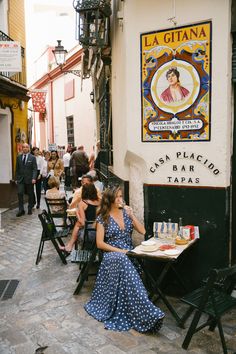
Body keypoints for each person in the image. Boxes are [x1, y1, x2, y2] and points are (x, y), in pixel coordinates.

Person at [85, 185, 165, 333]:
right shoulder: (103, 217)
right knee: (122, 259)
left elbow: (143, 231)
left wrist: (132, 215)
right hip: (112, 255)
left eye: (121, 196)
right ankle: (148, 312)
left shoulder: (126, 214)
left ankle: (142, 311)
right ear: (110, 200)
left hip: (130, 254)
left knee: (126, 260)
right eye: (117, 197)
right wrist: (121, 251)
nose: (120, 199)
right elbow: (100, 244)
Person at [60, 183, 100, 252]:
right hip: (101, 232)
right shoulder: (100, 201)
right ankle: (70, 246)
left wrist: (77, 213)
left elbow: (82, 222)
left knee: (78, 224)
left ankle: (70, 246)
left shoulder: (83, 203)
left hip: (89, 234)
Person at [15, 143, 37, 216]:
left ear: (28, 148)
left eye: (26, 147)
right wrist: (16, 178)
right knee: (20, 193)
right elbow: (17, 169)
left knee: (30, 194)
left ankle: (30, 208)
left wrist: (34, 178)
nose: (24, 148)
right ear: (22, 148)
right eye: (23, 147)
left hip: (29, 179)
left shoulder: (32, 157)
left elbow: (34, 169)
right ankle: (21, 210)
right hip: (20, 180)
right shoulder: (18, 157)